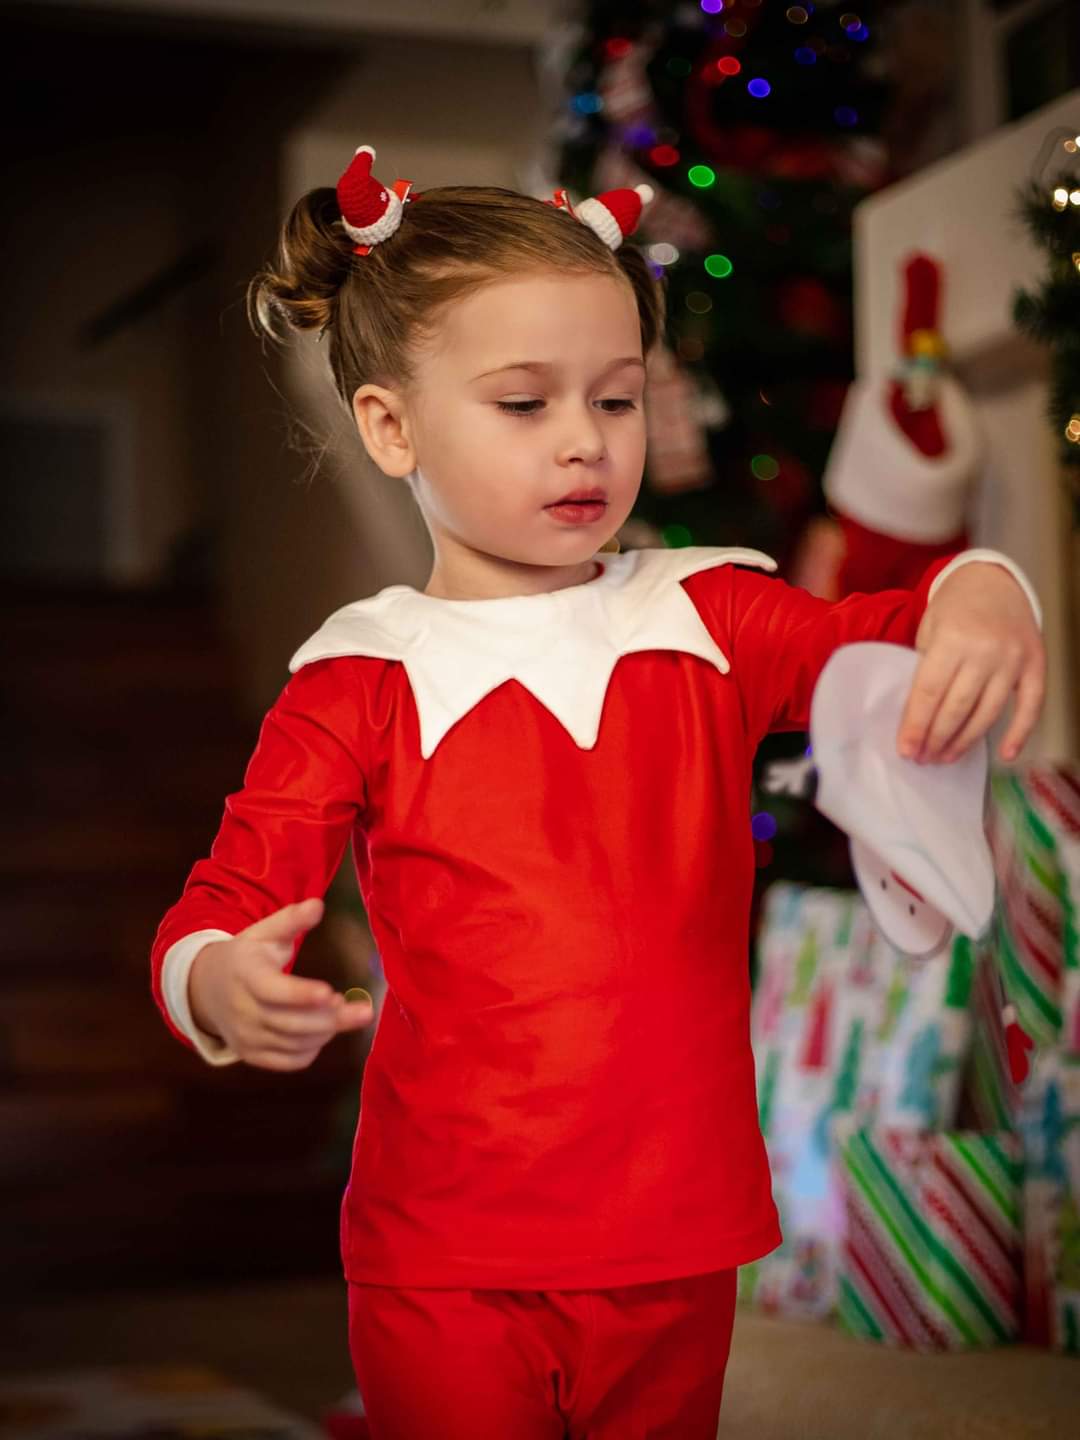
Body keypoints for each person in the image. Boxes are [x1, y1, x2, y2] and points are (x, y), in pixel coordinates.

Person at [150, 145, 1046, 1439]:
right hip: (445, 1246)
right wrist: (220, 979)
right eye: (525, 405)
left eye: (618, 400)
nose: (585, 440)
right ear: (392, 424)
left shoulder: (706, 612)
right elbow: (223, 902)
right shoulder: (359, 677)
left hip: (673, 1232)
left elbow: (886, 632)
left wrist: (982, 591)